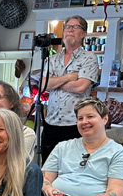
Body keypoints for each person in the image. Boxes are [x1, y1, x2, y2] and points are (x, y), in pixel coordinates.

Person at [40, 15, 100, 160]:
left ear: (84, 34)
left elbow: (80, 87)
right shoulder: (51, 59)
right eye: (67, 27)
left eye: (75, 27)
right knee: (48, 171)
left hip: (76, 125)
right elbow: (44, 85)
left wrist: (56, 81)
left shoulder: (89, 58)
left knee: (73, 171)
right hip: (51, 123)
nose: (70, 30)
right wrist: (69, 77)